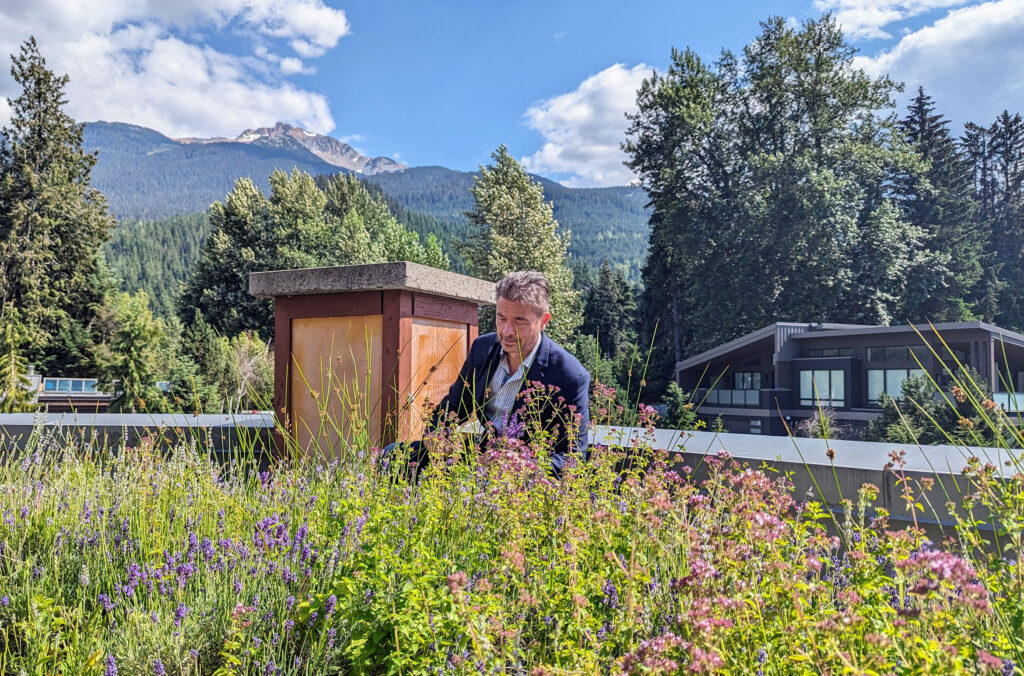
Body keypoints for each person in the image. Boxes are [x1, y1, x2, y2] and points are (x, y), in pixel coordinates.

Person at [386, 270, 590, 478]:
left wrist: (522, 467)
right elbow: (452, 408)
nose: (507, 331)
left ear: (544, 321)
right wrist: (436, 434)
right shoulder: (482, 348)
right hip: (478, 460)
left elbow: (574, 459)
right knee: (391, 456)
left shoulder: (570, 375)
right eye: (501, 318)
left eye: (519, 322)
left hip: (525, 481)